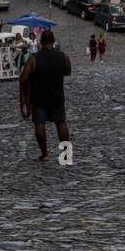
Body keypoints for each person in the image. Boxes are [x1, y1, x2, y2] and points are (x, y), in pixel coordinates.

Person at [20, 28, 71, 162]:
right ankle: (66, 155)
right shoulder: (63, 56)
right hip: (57, 95)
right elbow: (68, 71)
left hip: (39, 96)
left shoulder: (34, 58)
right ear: (53, 41)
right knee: (61, 123)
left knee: (40, 123)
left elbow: (23, 78)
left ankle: (45, 154)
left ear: (41, 42)